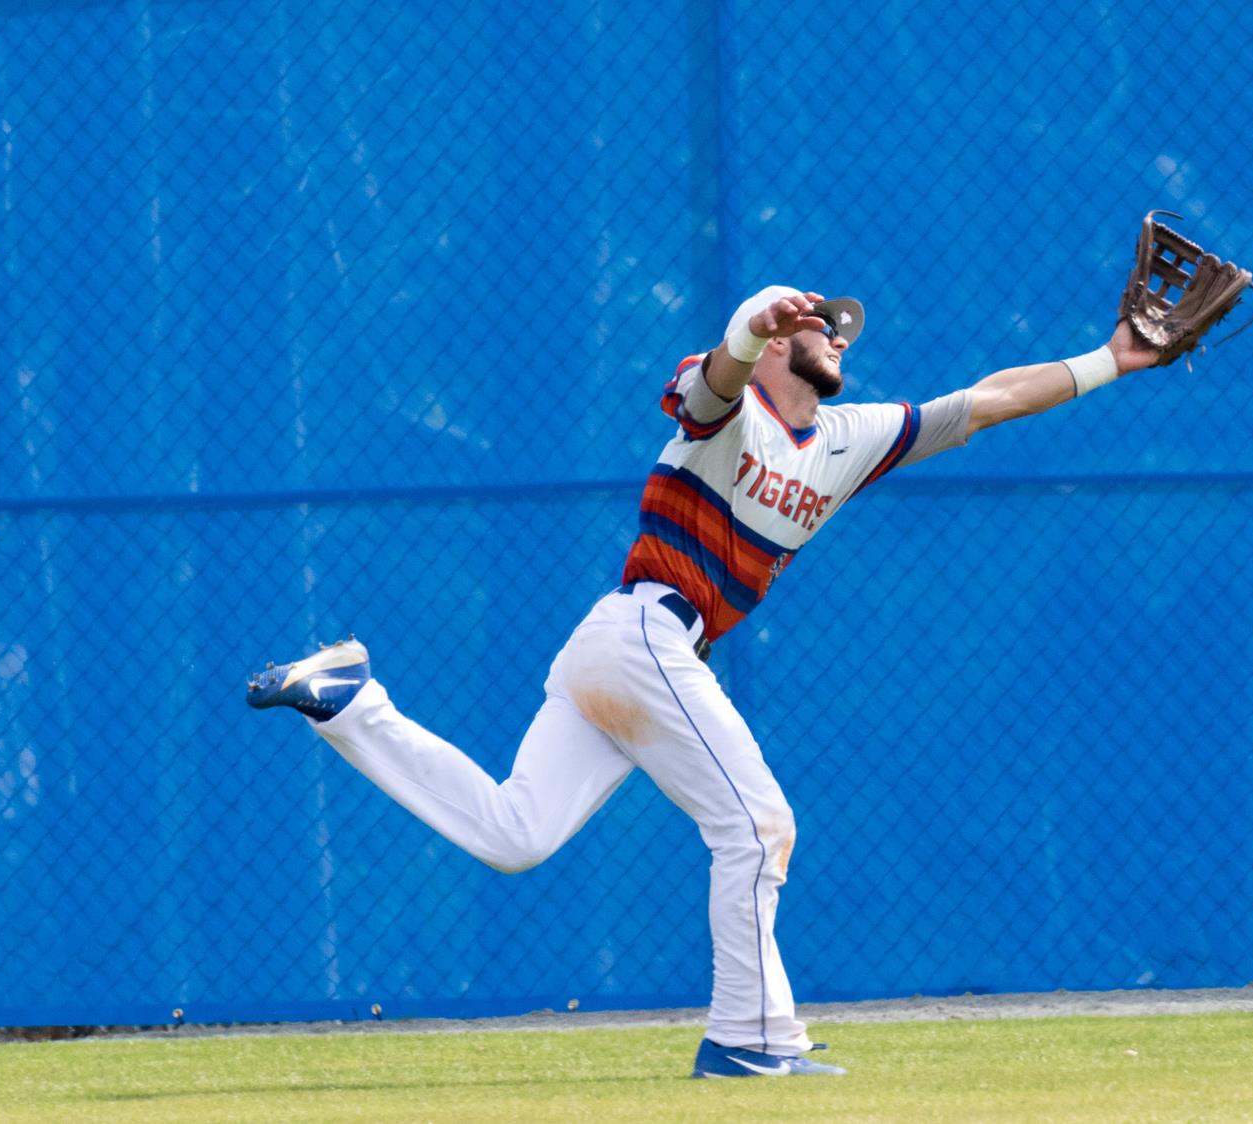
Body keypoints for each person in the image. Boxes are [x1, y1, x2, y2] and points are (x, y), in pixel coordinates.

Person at [246, 284, 1163, 1077]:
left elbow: (989, 401)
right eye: (819, 327)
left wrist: (1114, 359)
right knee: (759, 825)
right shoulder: (727, 412)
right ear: (774, 345)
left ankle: (352, 701)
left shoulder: (848, 437)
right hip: (645, 632)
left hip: (630, 651)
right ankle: (751, 1039)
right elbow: (713, 379)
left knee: (515, 833)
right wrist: (748, 325)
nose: (838, 337)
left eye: (843, 331)